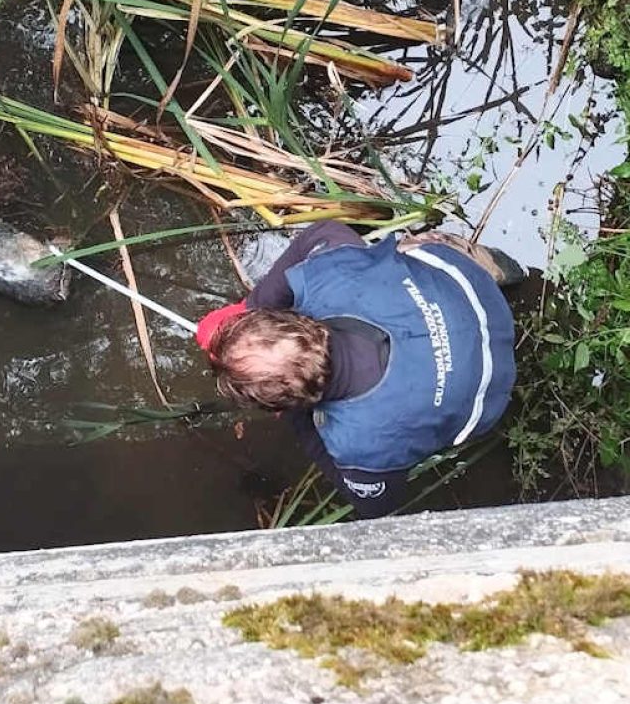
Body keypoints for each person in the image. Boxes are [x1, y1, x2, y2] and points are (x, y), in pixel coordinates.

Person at [195, 221, 518, 518]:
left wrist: (298, 419)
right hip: (470, 287)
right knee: (401, 255)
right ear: (289, 318)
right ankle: (509, 270)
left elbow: (375, 504)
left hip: (491, 387)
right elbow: (322, 231)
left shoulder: (361, 443)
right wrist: (253, 307)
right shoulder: (333, 277)